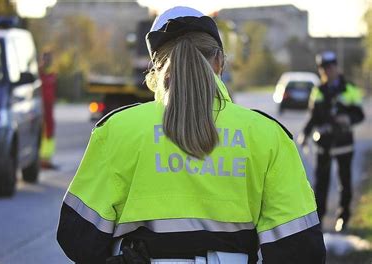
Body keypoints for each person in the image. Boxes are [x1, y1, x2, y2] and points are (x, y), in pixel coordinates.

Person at [57, 6, 325, 264]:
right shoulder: (268, 136)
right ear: (219, 61)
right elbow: (301, 250)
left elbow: (78, 238)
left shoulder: (117, 130)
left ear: (154, 69)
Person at [298, 51, 365, 232]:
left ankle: (343, 218)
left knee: (345, 182)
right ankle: (319, 219)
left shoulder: (349, 88)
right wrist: (304, 134)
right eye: (323, 69)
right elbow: (312, 117)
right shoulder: (318, 90)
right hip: (324, 145)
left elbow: (360, 114)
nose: (327, 71)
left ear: (337, 67)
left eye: (330, 67)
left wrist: (348, 119)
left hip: (344, 143)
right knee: (321, 184)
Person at [39, 51, 57, 168]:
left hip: (49, 108)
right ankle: (40, 158)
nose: (47, 61)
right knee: (39, 131)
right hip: (40, 108)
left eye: (49, 59)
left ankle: (47, 158)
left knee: (50, 131)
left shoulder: (53, 74)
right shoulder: (38, 74)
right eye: (45, 59)